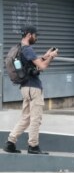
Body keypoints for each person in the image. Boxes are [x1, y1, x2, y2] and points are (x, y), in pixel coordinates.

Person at [4, 26, 58, 155]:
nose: (36, 37)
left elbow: (34, 64)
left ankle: (10, 143)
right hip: (33, 88)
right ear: (29, 35)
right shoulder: (28, 49)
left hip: (25, 87)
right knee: (36, 119)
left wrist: (46, 55)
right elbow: (42, 66)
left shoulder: (20, 48)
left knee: (26, 118)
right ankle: (33, 146)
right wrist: (51, 57)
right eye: (35, 35)